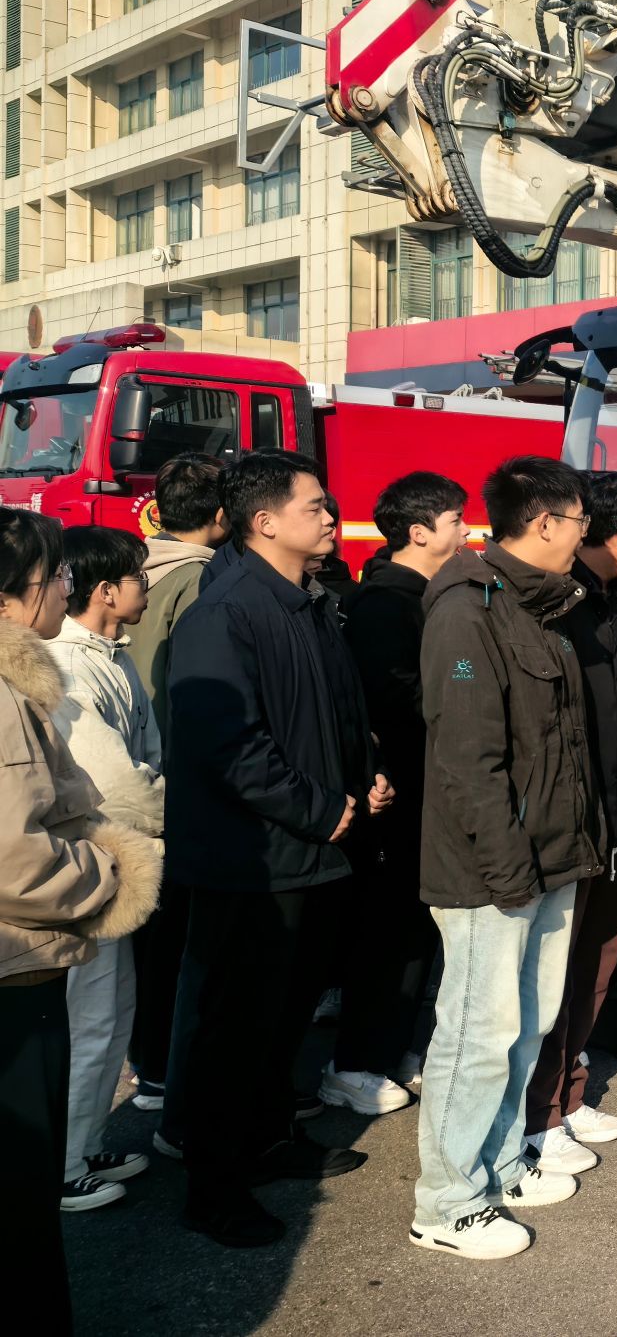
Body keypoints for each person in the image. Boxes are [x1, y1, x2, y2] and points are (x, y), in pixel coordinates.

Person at [165, 451, 391, 1247]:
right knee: (236, 1026)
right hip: (254, 860)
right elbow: (229, 746)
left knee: (283, 1016)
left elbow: (333, 713)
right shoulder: (225, 612)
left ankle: (266, 1138)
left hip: (314, 847)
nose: (332, 517)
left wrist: (362, 781)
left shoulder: (308, 602)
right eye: (316, 506)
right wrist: (322, 808)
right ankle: (214, 1185)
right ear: (264, 521)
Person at [411, 456, 604, 1261]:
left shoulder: (538, 604)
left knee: (527, 1023)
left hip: (548, 859)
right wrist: (508, 872)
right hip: (494, 871)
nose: (586, 535)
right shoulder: (466, 611)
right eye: (580, 521)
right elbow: (468, 761)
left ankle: (497, 1164)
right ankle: (447, 1201)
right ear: (545, 521)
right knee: (477, 1033)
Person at [0, 506, 161, 1330]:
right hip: (20, 959)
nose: (64, 588)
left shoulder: (32, 680)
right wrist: (110, 870)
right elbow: (19, 856)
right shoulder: (11, 696)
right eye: (53, 575)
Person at [523, 472, 617, 1175]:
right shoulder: (560, 604)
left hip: (614, 813)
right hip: (572, 823)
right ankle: (538, 1115)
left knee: (595, 964)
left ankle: (570, 1092)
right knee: (554, 976)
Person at [323, 472, 468, 1117]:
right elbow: (395, 700)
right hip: (397, 794)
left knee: (415, 929)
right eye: (456, 520)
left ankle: (392, 1047)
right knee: (385, 932)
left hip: (428, 792)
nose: (466, 531)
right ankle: (354, 1062)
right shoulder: (386, 603)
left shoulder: (431, 595)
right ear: (419, 532)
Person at [48, 527, 166, 1212]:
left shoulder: (111, 656)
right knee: (89, 1019)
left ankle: (86, 1144)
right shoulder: (69, 663)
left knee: (110, 1014)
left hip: (115, 859)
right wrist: (166, 805)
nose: (144, 588)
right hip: (92, 861)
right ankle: (65, 1165)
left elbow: (147, 757)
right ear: (104, 591)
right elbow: (117, 784)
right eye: (137, 578)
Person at [125, 452, 227, 1114]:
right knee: (176, 939)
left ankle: (146, 1060)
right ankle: (162, 1066)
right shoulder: (200, 578)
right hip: (174, 780)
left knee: (150, 937)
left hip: (133, 766)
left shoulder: (136, 567)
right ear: (222, 514)